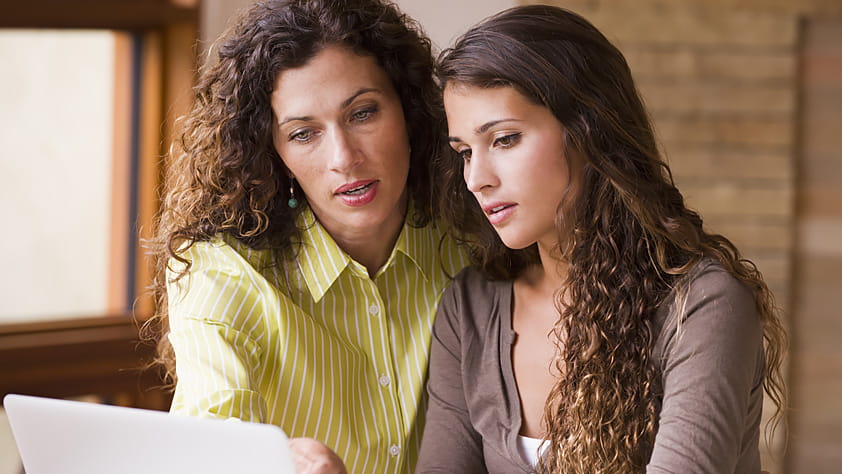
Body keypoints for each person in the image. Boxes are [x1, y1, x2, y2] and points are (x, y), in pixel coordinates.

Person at [416, 5, 787, 473]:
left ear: (588, 132)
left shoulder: (701, 303)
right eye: (465, 152)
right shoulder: (470, 308)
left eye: (505, 139)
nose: (476, 178)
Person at [147, 1, 467, 473]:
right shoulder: (220, 270)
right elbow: (211, 432)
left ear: (410, 109)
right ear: (271, 152)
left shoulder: (471, 237)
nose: (344, 157)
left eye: (362, 113)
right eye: (303, 134)